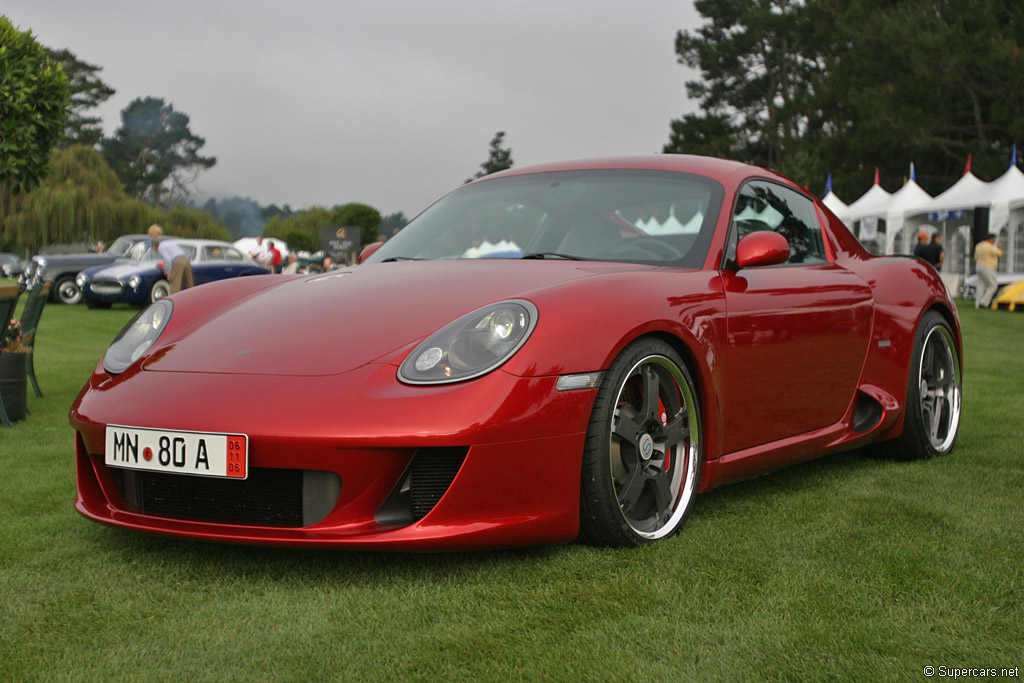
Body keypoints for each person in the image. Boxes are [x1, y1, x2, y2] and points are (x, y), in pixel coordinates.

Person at [147, 224, 193, 294]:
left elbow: (168, 260)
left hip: (178, 261)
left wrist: (168, 273)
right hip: (186, 259)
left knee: (175, 285)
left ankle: (175, 303)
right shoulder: (167, 243)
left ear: (155, 247)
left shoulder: (160, 248)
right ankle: (193, 299)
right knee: (189, 284)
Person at [973, 233, 1003, 309]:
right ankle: (984, 302)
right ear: (991, 239)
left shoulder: (979, 246)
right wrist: (999, 247)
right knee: (993, 285)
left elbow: (975, 257)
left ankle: (977, 304)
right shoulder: (989, 247)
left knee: (980, 285)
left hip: (979, 266)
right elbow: (999, 254)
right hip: (988, 266)